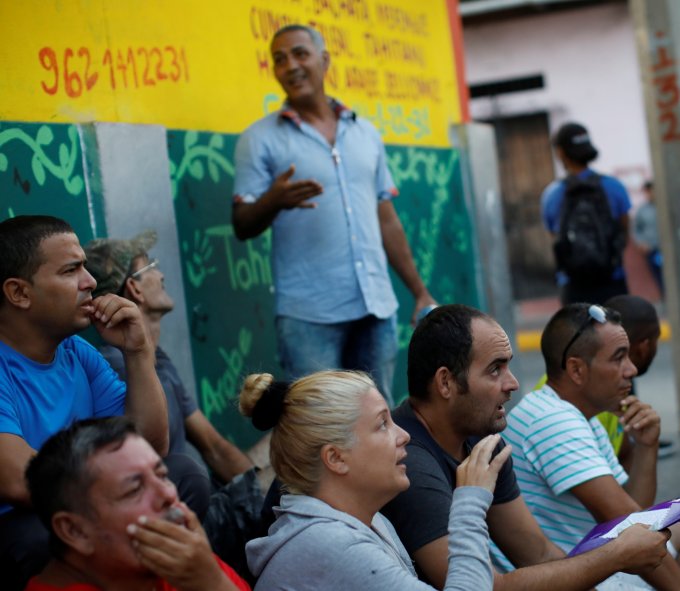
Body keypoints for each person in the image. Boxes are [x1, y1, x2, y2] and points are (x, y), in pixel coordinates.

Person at [380, 303, 671, 590]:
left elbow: (538, 553)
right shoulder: (408, 462)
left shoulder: (483, 439)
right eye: (495, 370)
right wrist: (616, 556)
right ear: (445, 382)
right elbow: (485, 588)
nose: (513, 383)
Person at [231, 24, 435, 404]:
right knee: (321, 422)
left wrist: (419, 292)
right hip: (308, 314)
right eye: (279, 59)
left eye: (300, 54)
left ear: (324, 61)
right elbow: (242, 223)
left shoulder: (366, 133)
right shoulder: (260, 139)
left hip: (375, 304)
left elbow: (385, 217)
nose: (290, 65)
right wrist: (273, 200)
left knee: (378, 413)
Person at [506, 302, 680, 590]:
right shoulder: (553, 420)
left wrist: (646, 446)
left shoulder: (585, 417)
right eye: (618, 358)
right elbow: (628, 525)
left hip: (592, 559)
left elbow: (636, 514)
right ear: (576, 369)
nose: (632, 370)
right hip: (571, 574)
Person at [0, 216, 168, 591]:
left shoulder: (77, 351)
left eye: (86, 268)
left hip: (81, 502)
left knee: (185, 476)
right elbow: (17, 482)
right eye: (71, 270)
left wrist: (138, 352)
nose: (90, 282)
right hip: (28, 521)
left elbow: (152, 445)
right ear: (19, 293)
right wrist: (117, 504)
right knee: (37, 538)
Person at [84, 231, 264, 577]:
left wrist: (255, 491)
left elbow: (213, 446)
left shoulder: (160, 359)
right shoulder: (115, 364)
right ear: (134, 289)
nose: (161, 273)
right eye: (150, 266)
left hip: (201, 503)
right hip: (174, 518)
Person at [241, 369, 509, 590]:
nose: (404, 435)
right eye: (383, 424)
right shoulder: (332, 545)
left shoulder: (370, 522)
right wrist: (470, 503)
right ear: (335, 458)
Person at [23, 417, 249, 591]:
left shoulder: (180, 563)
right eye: (134, 490)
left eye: (162, 475)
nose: (169, 495)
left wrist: (212, 580)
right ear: (75, 531)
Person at [542, 122, 631, 305]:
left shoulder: (552, 194)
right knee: (617, 333)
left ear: (560, 152)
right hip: (612, 280)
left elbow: (554, 237)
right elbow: (624, 232)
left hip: (573, 286)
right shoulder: (614, 186)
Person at [632, 182, 665, 299]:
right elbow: (636, 229)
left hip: (667, 249)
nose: (651, 194)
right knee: (659, 277)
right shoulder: (643, 210)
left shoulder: (665, 206)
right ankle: (665, 298)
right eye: (648, 192)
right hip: (653, 249)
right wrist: (641, 243)